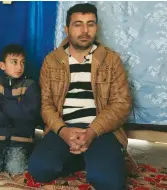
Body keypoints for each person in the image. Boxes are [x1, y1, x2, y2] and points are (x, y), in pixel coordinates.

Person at [28, 3, 132, 190]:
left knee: (109, 182)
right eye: (78, 24)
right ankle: (84, 157)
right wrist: (63, 131)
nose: (85, 30)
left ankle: (95, 159)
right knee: (39, 170)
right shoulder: (52, 61)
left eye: (90, 24)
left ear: (96, 27)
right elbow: (45, 104)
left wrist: (92, 132)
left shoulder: (111, 60)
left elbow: (121, 104)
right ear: (67, 29)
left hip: (100, 130)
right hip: (63, 128)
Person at [0, 44, 40, 177]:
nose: (19, 67)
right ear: (2, 65)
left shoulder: (30, 85)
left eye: (22, 63)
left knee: (15, 170)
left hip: (20, 139)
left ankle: (13, 156)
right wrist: (16, 113)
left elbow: (30, 113)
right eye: (14, 62)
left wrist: (1, 106)